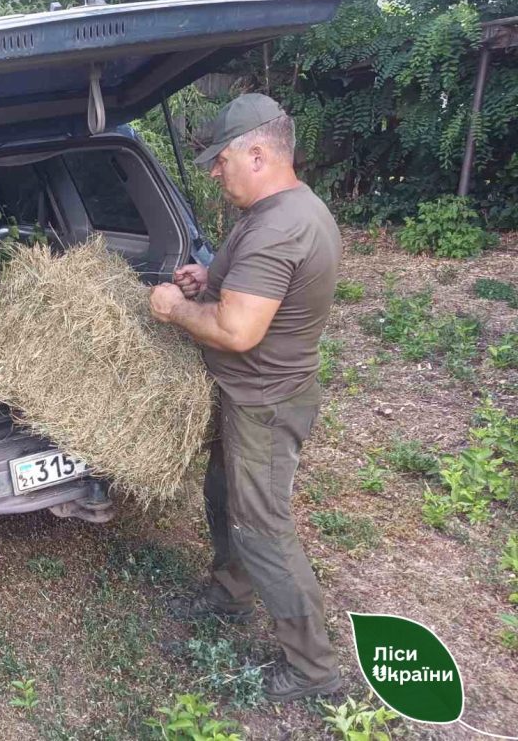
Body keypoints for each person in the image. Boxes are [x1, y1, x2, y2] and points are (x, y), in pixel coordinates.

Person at [148, 93, 343, 703]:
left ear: (257, 153)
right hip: (253, 393)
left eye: (220, 160)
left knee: (262, 529)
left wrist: (177, 308)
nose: (213, 171)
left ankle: (314, 670)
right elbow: (254, 292)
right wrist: (211, 280)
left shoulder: (278, 228)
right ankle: (230, 594)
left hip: (264, 402)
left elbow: (238, 331)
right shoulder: (281, 212)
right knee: (223, 494)